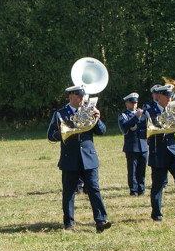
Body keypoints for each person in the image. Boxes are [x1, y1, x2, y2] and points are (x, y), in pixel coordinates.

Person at [46, 85, 112, 232]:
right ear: (71, 97)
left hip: (88, 157)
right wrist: (65, 131)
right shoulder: (60, 114)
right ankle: (68, 224)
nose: (82, 100)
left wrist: (98, 119)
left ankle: (101, 221)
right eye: (79, 97)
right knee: (69, 192)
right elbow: (50, 135)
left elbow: (102, 131)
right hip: (70, 158)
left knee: (94, 189)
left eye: (83, 97)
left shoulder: (88, 111)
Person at [146, 84, 175, 221]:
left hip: (173, 151)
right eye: (166, 97)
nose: (169, 99)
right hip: (158, 151)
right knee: (157, 186)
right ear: (158, 97)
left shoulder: (173, 110)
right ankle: (157, 214)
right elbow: (145, 131)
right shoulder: (149, 110)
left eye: (170, 97)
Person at [117, 92, 148, 196]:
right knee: (132, 171)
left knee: (142, 170)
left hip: (143, 145)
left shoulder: (143, 114)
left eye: (135, 102)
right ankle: (133, 190)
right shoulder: (123, 115)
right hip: (131, 146)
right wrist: (135, 117)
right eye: (132, 103)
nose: (134, 105)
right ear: (127, 103)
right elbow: (125, 126)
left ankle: (141, 189)